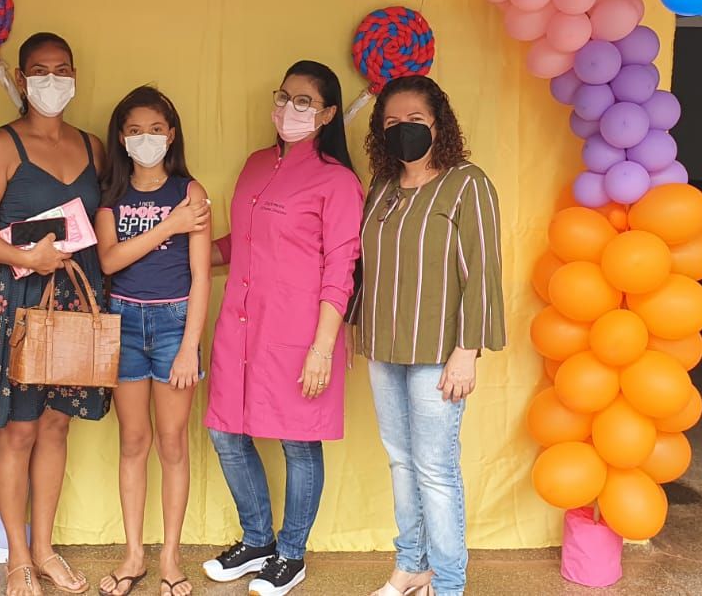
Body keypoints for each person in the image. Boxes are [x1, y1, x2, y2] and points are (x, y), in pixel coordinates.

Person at [202, 61, 364, 596]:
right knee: (226, 431)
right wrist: (186, 253)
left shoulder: (336, 181)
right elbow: (242, 240)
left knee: (298, 441)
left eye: (304, 101)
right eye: (284, 97)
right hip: (240, 328)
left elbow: (341, 268)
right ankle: (257, 541)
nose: (289, 109)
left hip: (300, 334)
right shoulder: (255, 165)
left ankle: (291, 554)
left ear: (328, 114)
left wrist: (323, 348)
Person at [0, 32, 108, 596]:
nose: (53, 80)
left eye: (62, 69)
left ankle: (44, 549)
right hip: (19, 301)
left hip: (76, 301)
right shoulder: (1, 145)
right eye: (41, 70)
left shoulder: (93, 146)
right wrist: (27, 257)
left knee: (55, 423)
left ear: (75, 76)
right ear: (22, 79)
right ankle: (17, 556)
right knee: (19, 429)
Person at [354, 76, 504, 596]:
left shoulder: (467, 184)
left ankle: (448, 583)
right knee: (400, 461)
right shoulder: (382, 186)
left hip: (439, 352)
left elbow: (482, 272)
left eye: (415, 120)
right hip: (383, 344)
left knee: (435, 469)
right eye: (392, 122)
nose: (404, 130)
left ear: (439, 124)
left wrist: (467, 351)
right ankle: (411, 566)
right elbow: (365, 266)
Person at [92, 87, 212, 596]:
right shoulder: (110, 195)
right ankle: (134, 555)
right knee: (133, 441)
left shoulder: (190, 192)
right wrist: (170, 225)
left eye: (156, 129)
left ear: (172, 134)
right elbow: (109, 260)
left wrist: (189, 347)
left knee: (172, 443)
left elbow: (201, 277)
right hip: (123, 323)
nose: (147, 138)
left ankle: (169, 558)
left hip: (173, 324)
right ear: (121, 137)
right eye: (136, 130)